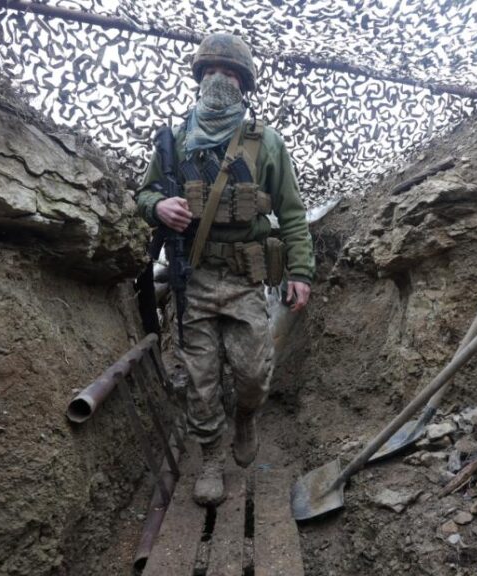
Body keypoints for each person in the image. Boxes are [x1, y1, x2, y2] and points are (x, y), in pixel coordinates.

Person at [135, 33, 315, 506]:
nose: (219, 78)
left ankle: (246, 417)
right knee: (200, 378)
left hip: (243, 278)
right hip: (192, 277)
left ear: (243, 83)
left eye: (229, 72)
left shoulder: (267, 143)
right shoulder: (174, 142)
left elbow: (292, 213)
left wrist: (300, 272)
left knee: (253, 373)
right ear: (199, 78)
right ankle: (211, 457)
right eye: (211, 71)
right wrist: (158, 207)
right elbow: (144, 193)